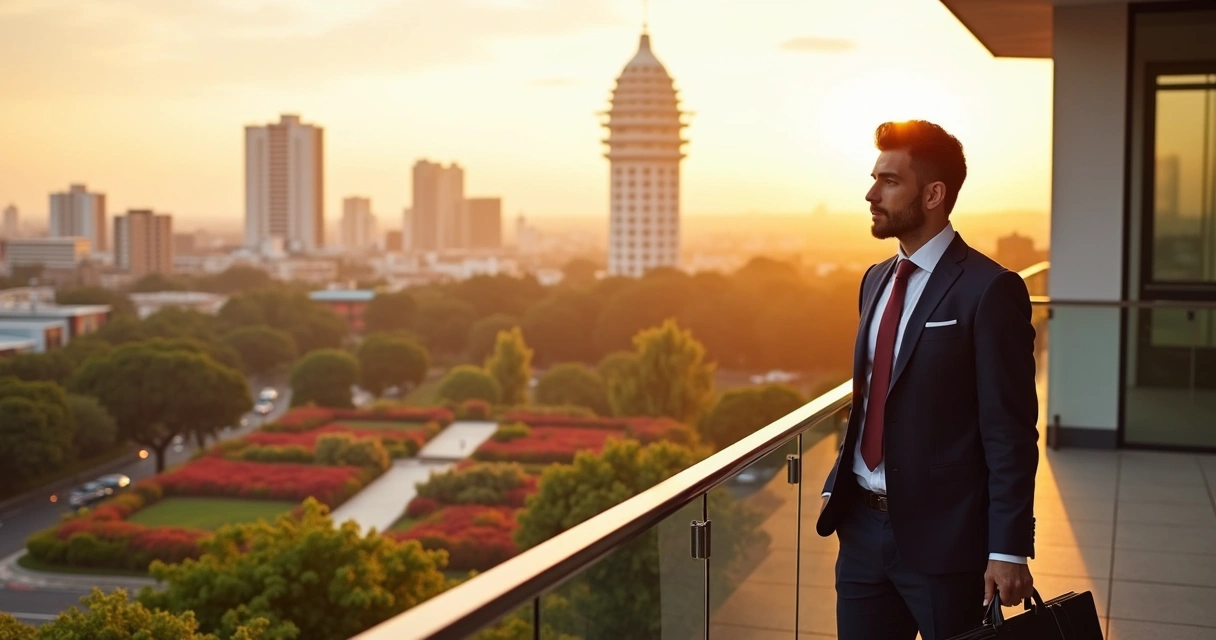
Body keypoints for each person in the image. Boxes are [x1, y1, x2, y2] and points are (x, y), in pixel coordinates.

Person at [816, 120, 1039, 640]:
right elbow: (873, 397)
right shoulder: (874, 279)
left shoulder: (990, 290)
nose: (871, 194)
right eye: (874, 178)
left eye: (890, 181)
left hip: (947, 542)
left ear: (934, 195)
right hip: (861, 533)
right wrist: (837, 482)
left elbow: (1009, 431)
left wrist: (1008, 548)